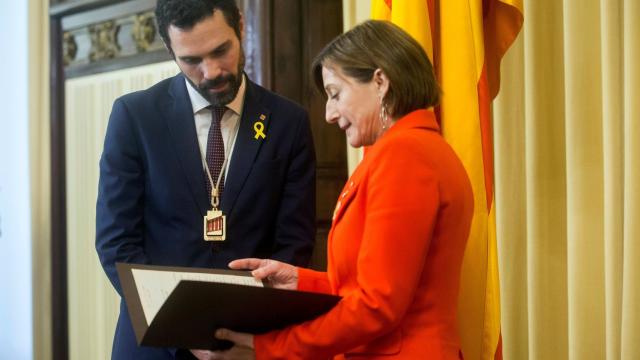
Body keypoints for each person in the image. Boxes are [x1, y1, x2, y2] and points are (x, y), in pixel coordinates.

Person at [204, 20, 475, 360]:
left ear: (380, 82)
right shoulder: (420, 148)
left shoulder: (404, 156)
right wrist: (300, 281)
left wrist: (269, 348)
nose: (329, 114)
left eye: (335, 94)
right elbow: (379, 285)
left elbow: (378, 305)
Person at [95, 0, 316, 359]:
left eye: (221, 51)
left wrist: (244, 332)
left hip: (251, 343)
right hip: (156, 345)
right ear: (170, 50)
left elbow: (294, 244)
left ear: (241, 27)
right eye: (191, 60)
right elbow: (116, 243)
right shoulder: (134, 117)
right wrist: (184, 328)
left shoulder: (288, 123)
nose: (211, 71)